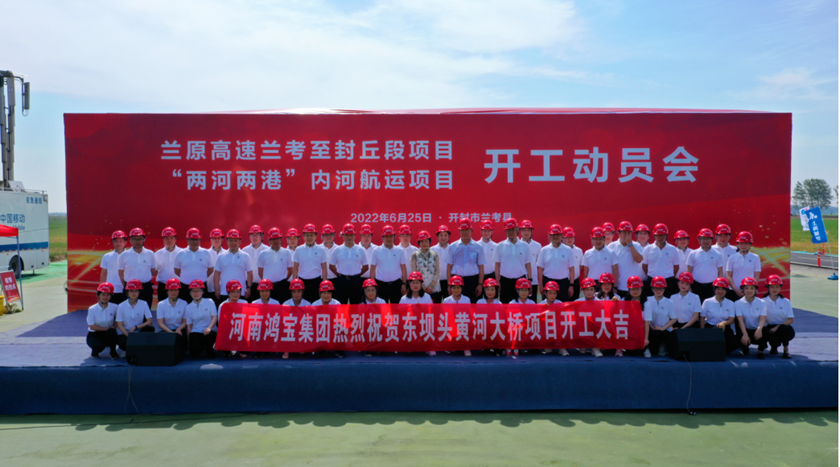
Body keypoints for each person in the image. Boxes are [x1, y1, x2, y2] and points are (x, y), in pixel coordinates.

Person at [446, 218, 486, 303]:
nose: (464, 232)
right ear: (459, 231)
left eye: (467, 230)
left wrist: (480, 284)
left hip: (473, 281)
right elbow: (449, 267)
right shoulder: (453, 246)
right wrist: (449, 284)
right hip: (456, 281)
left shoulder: (478, 247)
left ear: (471, 231)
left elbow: (481, 267)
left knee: (473, 306)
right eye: (462, 230)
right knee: (456, 306)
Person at [493, 218, 532, 304]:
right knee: (505, 304)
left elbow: (528, 264)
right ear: (505, 231)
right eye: (508, 230)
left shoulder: (525, 246)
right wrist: (497, 280)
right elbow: (497, 265)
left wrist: (529, 279)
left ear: (517, 229)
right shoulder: (500, 246)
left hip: (521, 280)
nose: (511, 232)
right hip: (505, 281)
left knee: (520, 305)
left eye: (513, 229)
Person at [117, 228, 157, 308]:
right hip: (130, 288)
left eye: (140, 239)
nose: (137, 241)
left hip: (145, 288)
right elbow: (121, 273)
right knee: (128, 311)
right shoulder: (124, 255)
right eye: (135, 239)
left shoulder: (150, 254)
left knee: (145, 311)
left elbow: (153, 270)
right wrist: (127, 285)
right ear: (130, 240)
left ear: (144, 239)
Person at [329, 224, 369, 304]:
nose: (349, 237)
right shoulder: (337, 250)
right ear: (343, 236)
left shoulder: (360, 250)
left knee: (356, 304)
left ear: (355, 236)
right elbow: (331, 266)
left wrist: (357, 274)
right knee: (341, 304)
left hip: (356, 281)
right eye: (347, 235)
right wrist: (340, 275)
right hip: (341, 281)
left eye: (351, 235)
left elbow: (366, 266)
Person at [699, 277, 740, 354]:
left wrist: (723, 323)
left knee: (735, 343)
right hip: (711, 327)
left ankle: (719, 350)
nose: (720, 291)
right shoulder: (707, 302)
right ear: (714, 290)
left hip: (724, 327)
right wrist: (702, 331)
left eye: (723, 289)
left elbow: (731, 319)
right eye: (718, 289)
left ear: (726, 290)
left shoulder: (730, 303)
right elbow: (702, 317)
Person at [537, 224, 575, 302]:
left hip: (563, 283)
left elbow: (571, 269)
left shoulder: (568, 250)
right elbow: (540, 270)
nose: (555, 237)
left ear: (561, 236)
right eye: (553, 235)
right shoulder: (544, 250)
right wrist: (540, 286)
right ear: (549, 236)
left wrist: (571, 285)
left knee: (563, 306)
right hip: (547, 282)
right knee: (547, 307)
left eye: (557, 235)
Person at [173, 228, 214, 303]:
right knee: (185, 308)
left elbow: (211, 269)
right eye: (192, 239)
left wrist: (201, 278)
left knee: (202, 308)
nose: (195, 242)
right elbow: (177, 270)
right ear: (187, 240)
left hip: (201, 288)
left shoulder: (206, 253)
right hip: (185, 287)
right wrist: (187, 277)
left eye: (197, 239)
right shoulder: (180, 254)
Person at [370, 225, 407, 304]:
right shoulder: (376, 251)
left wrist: (404, 283)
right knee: (381, 308)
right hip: (381, 285)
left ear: (394, 237)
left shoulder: (399, 250)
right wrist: (372, 284)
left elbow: (403, 267)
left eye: (391, 236)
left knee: (396, 308)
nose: (389, 239)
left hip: (396, 285)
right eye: (386, 236)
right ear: (382, 238)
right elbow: (373, 268)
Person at [214, 229, 254, 302]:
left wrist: (249, 288)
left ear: (240, 241)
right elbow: (217, 274)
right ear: (227, 241)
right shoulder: (221, 256)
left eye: (236, 240)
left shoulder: (245, 256)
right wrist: (217, 289)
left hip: (240, 292)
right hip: (224, 292)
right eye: (231, 240)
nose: (233, 243)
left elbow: (249, 273)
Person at [115, 279, 154, 352]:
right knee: (123, 344)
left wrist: (136, 328)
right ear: (127, 292)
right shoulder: (121, 306)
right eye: (131, 291)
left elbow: (149, 321)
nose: (134, 293)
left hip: (138, 332)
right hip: (125, 333)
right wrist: (129, 336)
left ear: (139, 292)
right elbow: (119, 325)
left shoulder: (144, 304)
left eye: (136, 291)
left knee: (150, 329)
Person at [293, 224, 329, 304]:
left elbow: (324, 268)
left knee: (316, 305)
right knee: (303, 306)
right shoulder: (298, 249)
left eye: (311, 235)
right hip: (302, 282)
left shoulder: (321, 249)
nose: (309, 238)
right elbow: (295, 268)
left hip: (316, 281)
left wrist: (324, 283)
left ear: (316, 236)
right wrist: (294, 282)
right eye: (307, 235)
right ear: (303, 236)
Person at [257, 227, 294, 305]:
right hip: (268, 287)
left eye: (278, 238)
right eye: (273, 239)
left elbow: (290, 270)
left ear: (281, 239)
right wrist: (267, 281)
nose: (276, 241)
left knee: (283, 307)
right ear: (269, 240)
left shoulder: (287, 253)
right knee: (269, 308)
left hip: (282, 286)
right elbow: (260, 272)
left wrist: (283, 279)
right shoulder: (263, 254)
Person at [642, 224, 680, 297]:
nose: (660, 237)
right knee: (651, 301)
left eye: (662, 235)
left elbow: (676, 267)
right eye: (658, 235)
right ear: (654, 236)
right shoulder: (647, 249)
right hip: (652, 281)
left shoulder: (673, 249)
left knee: (667, 301)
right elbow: (644, 266)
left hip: (668, 282)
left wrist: (669, 276)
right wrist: (651, 275)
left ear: (666, 236)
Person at [686, 228, 724, 302]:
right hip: (696, 286)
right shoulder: (693, 254)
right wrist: (688, 286)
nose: (705, 241)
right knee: (696, 307)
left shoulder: (718, 255)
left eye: (708, 239)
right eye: (703, 239)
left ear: (712, 240)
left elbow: (720, 272)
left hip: (712, 287)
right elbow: (689, 271)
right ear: (699, 240)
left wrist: (719, 287)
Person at [609, 221, 645, 298]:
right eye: (624, 232)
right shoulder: (612, 246)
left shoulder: (636, 245)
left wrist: (630, 244)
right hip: (617, 287)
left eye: (629, 233)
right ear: (619, 233)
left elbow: (639, 259)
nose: (627, 235)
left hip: (632, 287)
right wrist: (613, 286)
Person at [644, 276, 678, 357]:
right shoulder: (647, 300)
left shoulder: (669, 302)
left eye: (661, 289)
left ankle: (663, 345)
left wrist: (663, 328)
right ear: (652, 289)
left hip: (664, 331)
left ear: (664, 289)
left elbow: (674, 319)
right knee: (653, 351)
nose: (658, 291)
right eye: (656, 289)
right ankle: (648, 348)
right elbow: (645, 317)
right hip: (651, 330)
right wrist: (651, 326)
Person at [762, 275, 794, 359]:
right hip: (771, 327)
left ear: (780, 288)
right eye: (772, 287)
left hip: (784, 327)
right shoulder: (763, 301)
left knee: (783, 328)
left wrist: (777, 327)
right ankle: (773, 347)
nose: (775, 289)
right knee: (771, 336)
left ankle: (786, 350)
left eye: (777, 287)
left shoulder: (786, 301)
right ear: (768, 287)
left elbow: (791, 319)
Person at [735, 277, 767, 359]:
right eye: (746, 288)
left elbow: (763, 318)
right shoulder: (738, 303)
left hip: (757, 331)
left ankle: (760, 351)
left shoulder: (762, 302)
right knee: (738, 329)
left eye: (752, 288)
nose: (749, 290)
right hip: (746, 330)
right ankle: (745, 346)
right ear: (743, 290)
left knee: (765, 330)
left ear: (755, 289)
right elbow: (740, 321)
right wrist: (745, 334)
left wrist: (759, 329)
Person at [185, 279, 217, 358]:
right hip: (196, 331)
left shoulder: (209, 301)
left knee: (209, 336)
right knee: (194, 352)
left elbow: (215, 317)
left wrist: (209, 328)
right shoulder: (188, 307)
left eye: (198, 291)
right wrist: (189, 342)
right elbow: (189, 326)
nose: (195, 293)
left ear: (202, 291)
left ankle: (210, 350)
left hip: (210, 330)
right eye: (193, 291)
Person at [726, 231, 762, 301]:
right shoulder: (731, 258)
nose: (743, 246)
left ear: (750, 244)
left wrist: (750, 289)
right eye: (741, 243)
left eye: (746, 243)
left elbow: (757, 276)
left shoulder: (755, 257)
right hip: (734, 292)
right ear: (738, 244)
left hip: (750, 293)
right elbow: (729, 276)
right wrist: (736, 290)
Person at [86, 282, 119, 359]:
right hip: (95, 334)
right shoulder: (92, 309)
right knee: (99, 346)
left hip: (109, 333)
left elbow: (118, 319)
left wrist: (114, 326)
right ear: (99, 295)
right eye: (103, 294)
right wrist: (108, 329)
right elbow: (92, 326)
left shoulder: (115, 307)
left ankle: (113, 352)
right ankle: (95, 350)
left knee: (112, 332)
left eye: (108, 295)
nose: (105, 297)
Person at [156, 277, 188, 352]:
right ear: (167, 291)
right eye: (171, 290)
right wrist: (171, 333)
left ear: (179, 290)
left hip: (179, 330)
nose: (174, 292)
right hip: (166, 331)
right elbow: (160, 323)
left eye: (175, 290)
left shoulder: (184, 303)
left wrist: (178, 330)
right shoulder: (161, 304)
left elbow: (185, 322)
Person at [539, 281, 569, 356]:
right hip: (545, 328)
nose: (552, 295)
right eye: (550, 293)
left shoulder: (560, 303)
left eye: (554, 293)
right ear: (546, 293)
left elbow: (564, 317)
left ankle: (562, 347)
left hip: (557, 327)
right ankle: (546, 344)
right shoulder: (540, 305)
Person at [575, 277, 603, 357]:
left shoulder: (600, 302)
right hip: (583, 328)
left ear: (595, 290)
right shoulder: (577, 302)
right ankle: (583, 343)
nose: (589, 292)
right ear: (583, 291)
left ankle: (596, 347)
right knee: (582, 352)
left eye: (591, 289)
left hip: (596, 327)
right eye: (587, 290)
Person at [411, 231, 442, 302]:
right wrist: (421, 286)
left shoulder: (435, 255)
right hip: (421, 289)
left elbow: (438, 271)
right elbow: (414, 272)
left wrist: (432, 285)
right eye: (422, 241)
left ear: (429, 242)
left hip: (435, 288)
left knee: (436, 308)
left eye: (426, 241)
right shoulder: (414, 255)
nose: (424, 243)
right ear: (419, 243)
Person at [155, 226, 183, 303]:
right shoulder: (158, 254)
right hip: (163, 287)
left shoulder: (182, 253)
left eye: (171, 238)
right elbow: (155, 270)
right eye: (167, 238)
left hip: (179, 287)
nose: (169, 240)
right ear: (163, 240)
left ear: (175, 239)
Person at [241, 225, 269, 299]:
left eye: (257, 235)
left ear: (261, 236)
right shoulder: (244, 251)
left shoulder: (267, 250)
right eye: (252, 235)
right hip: (248, 286)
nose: (254, 237)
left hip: (263, 286)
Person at [100, 230, 128, 304]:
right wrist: (102, 289)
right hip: (111, 290)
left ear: (125, 242)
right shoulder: (107, 256)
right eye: (116, 241)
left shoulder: (130, 255)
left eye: (121, 241)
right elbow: (104, 273)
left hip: (127, 290)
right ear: (112, 242)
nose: (118, 243)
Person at [622, 276, 647, 358]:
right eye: (633, 289)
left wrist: (646, 339)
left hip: (642, 330)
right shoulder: (623, 301)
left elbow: (647, 322)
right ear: (629, 290)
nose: (635, 291)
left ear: (641, 289)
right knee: (631, 353)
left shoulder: (646, 303)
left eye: (637, 289)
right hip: (629, 331)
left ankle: (646, 348)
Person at [519, 220, 542, 300]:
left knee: (532, 304)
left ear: (532, 231)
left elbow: (540, 265)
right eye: (524, 230)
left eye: (528, 230)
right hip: (519, 280)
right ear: (520, 231)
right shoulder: (516, 245)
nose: (526, 232)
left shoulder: (537, 246)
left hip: (533, 281)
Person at [206, 228, 226, 306]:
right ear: (211, 239)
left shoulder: (227, 254)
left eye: (219, 238)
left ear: (222, 239)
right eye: (214, 238)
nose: (216, 240)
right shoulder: (206, 253)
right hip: (209, 288)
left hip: (224, 290)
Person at [431, 225, 452, 300]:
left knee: (449, 304)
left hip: (449, 282)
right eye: (441, 235)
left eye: (445, 235)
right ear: (437, 237)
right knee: (436, 305)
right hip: (436, 283)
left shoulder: (452, 249)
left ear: (449, 237)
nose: (443, 237)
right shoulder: (432, 250)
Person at [563, 227, 584, 300]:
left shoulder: (579, 251)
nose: (570, 239)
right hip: (564, 282)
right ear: (563, 238)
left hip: (575, 282)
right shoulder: (560, 250)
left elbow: (580, 267)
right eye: (567, 237)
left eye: (571, 237)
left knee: (575, 303)